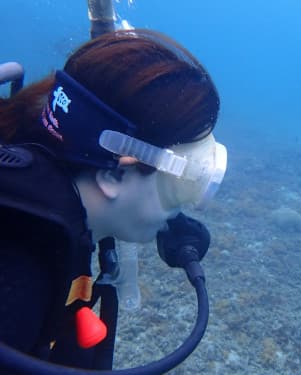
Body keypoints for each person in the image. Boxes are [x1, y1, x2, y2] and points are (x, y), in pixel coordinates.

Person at [0, 28, 226, 371]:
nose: (186, 208)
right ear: (114, 173)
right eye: (187, 182)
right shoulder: (17, 283)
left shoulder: (45, 206)